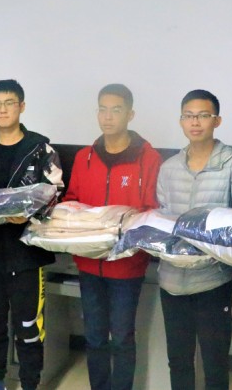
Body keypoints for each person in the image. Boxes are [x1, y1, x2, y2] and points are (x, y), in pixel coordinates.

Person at [63, 83, 162, 390]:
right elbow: (72, 200)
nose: (108, 117)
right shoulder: (84, 157)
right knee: (94, 337)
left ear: (130, 114)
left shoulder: (149, 159)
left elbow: (151, 210)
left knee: (121, 337)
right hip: (88, 263)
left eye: (116, 110)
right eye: (102, 109)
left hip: (127, 266)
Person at [0, 79, 63, 390]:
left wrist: (30, 214)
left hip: (26, 254)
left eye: (9, 103)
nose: (3, 110)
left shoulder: (41, 149)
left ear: (21, 106)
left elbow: (56, 193)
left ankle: (30, 384)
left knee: (29, 328)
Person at [157, 89, 232, 390]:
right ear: (181, 121)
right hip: (171, 280)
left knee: (215, 360)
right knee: (178, 359)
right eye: (188, 116)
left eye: (203, 115)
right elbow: (162, 218)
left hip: (212, 280)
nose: (195, 122)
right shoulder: (169, 168)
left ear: (216, 120)